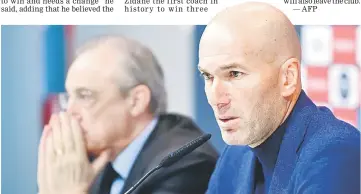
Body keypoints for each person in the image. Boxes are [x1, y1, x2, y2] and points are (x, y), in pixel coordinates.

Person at [198, 2, 360, 194]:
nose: (216, 99)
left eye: (234, 74)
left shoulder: (334, 153)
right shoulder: (235, 156)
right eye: (208, 76)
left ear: (287, 78)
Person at [37, 35, 218, 194]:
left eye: (85, 96)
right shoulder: (92, 160)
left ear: (136, 101)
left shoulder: (183, 164)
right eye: (68, 97)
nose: (70, 112)